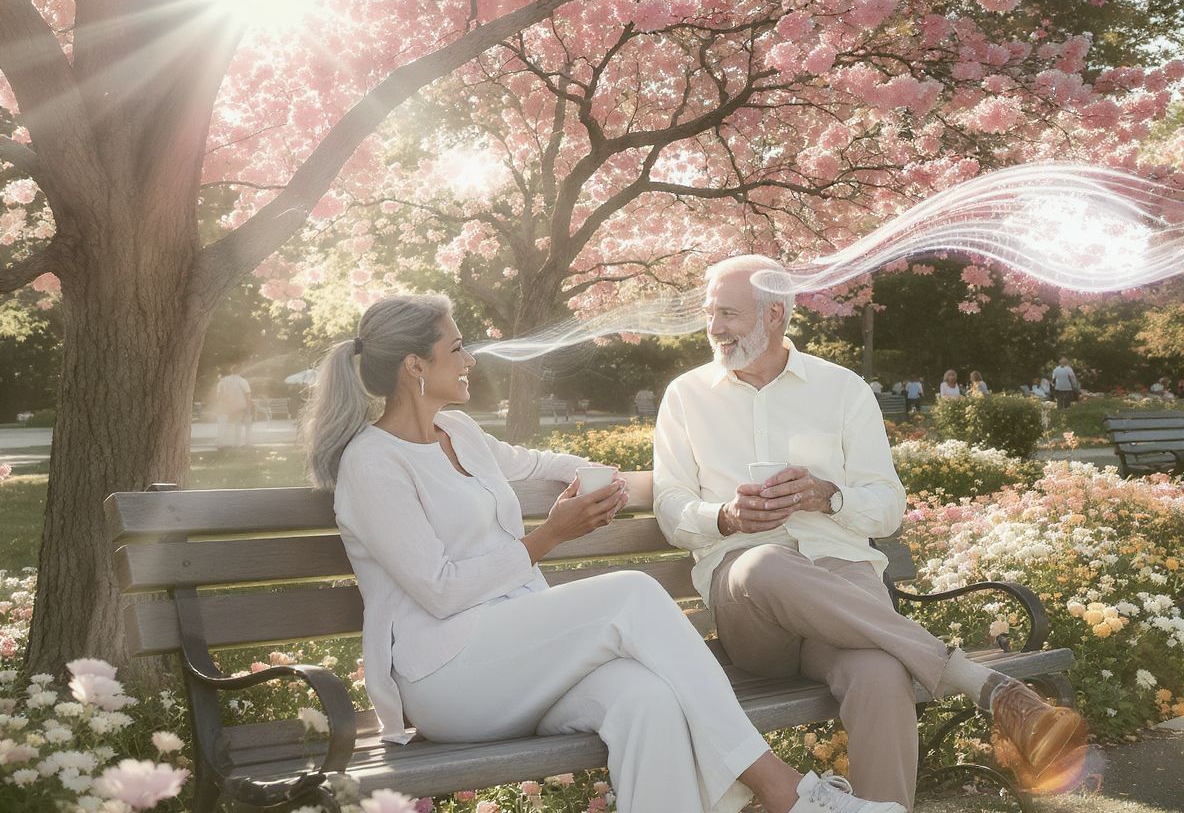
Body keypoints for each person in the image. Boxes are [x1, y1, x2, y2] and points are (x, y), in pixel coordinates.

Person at [301, 294, 904, 813]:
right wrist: (548, 538)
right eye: (457, 348)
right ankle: (781, 789)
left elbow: (536, 465)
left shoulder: (458, 433)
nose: (469, 359)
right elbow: (439, 589)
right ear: (415, 366)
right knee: (633, 593)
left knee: (649, 700)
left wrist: (632, 481)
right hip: (448, 679)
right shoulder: (373, 464)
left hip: (519, 661)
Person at [653, 256, 1087, 812]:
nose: (714, 327)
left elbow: (886, 508)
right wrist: (726, 519)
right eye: (711, 313)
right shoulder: (686, 396)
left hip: (842, 584)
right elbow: (670, 506)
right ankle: (982, 683)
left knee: (882, 674)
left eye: (729, 314)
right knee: (763, 563)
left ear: (776, 315)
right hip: (750, 601)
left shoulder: (841, 390)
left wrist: (829, 497)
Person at [215, 365, 252, 447]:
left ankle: (220, 443)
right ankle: (237, 443)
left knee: (223, 425)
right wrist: (248, 407)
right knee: (239, 425)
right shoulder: (242, 381)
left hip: (226, 407)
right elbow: (247, 394)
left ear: (231, 371)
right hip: (239, 407)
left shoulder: (223, 380)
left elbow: (218, 395)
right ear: (240, 371)